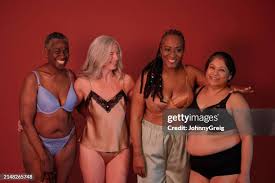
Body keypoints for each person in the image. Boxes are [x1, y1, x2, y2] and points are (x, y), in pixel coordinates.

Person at [130, 29, 253, 183]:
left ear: (184, 50)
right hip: (152, 137)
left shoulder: (191, 73)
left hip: (181, 138)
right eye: (167, 49)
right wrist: (137, 153)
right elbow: (135, 117)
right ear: (160, 49)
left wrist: (232, 86)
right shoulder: (147, 76)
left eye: (178, 50)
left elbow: (214, 83)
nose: (172, 55)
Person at [74, 35, 135, 183]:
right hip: (91, 149)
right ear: (98, 54)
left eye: (117, 53)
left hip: (121, 149)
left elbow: (143, 108)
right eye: (111, 54)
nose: (116, 58)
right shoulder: (83, 83)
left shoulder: (125, 81)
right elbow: (63, 109)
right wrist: (33, 120)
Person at [19, 32, 78, 182]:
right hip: (38, 141)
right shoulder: (33, 79)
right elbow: (26, 121)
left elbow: (84, 108)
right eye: (57, 51)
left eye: (66, 50)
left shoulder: (71, 76)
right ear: (47, 51)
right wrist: (43, 156)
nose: (63, 55)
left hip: (67, 140)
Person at [186, 52, 253, 183]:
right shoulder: (195, 92)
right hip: (196, 167)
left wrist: (245, 174)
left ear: (230, 76)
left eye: (221, 70)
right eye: (212, 67)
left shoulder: (235, 99)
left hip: (226, 167)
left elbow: (247, 138)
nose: (215, 73)